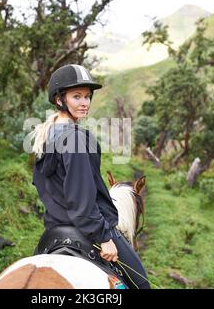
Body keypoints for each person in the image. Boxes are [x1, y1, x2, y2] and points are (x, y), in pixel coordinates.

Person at [30, 64, 150, 289]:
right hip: (84, 229)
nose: (84, 103)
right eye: (77, 97)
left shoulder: (46, 137)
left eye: (87, 97)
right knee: (142, 285)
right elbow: (81, 198)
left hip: (53, 231)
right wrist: (104, 237)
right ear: (59, 100)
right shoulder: (74, 138)